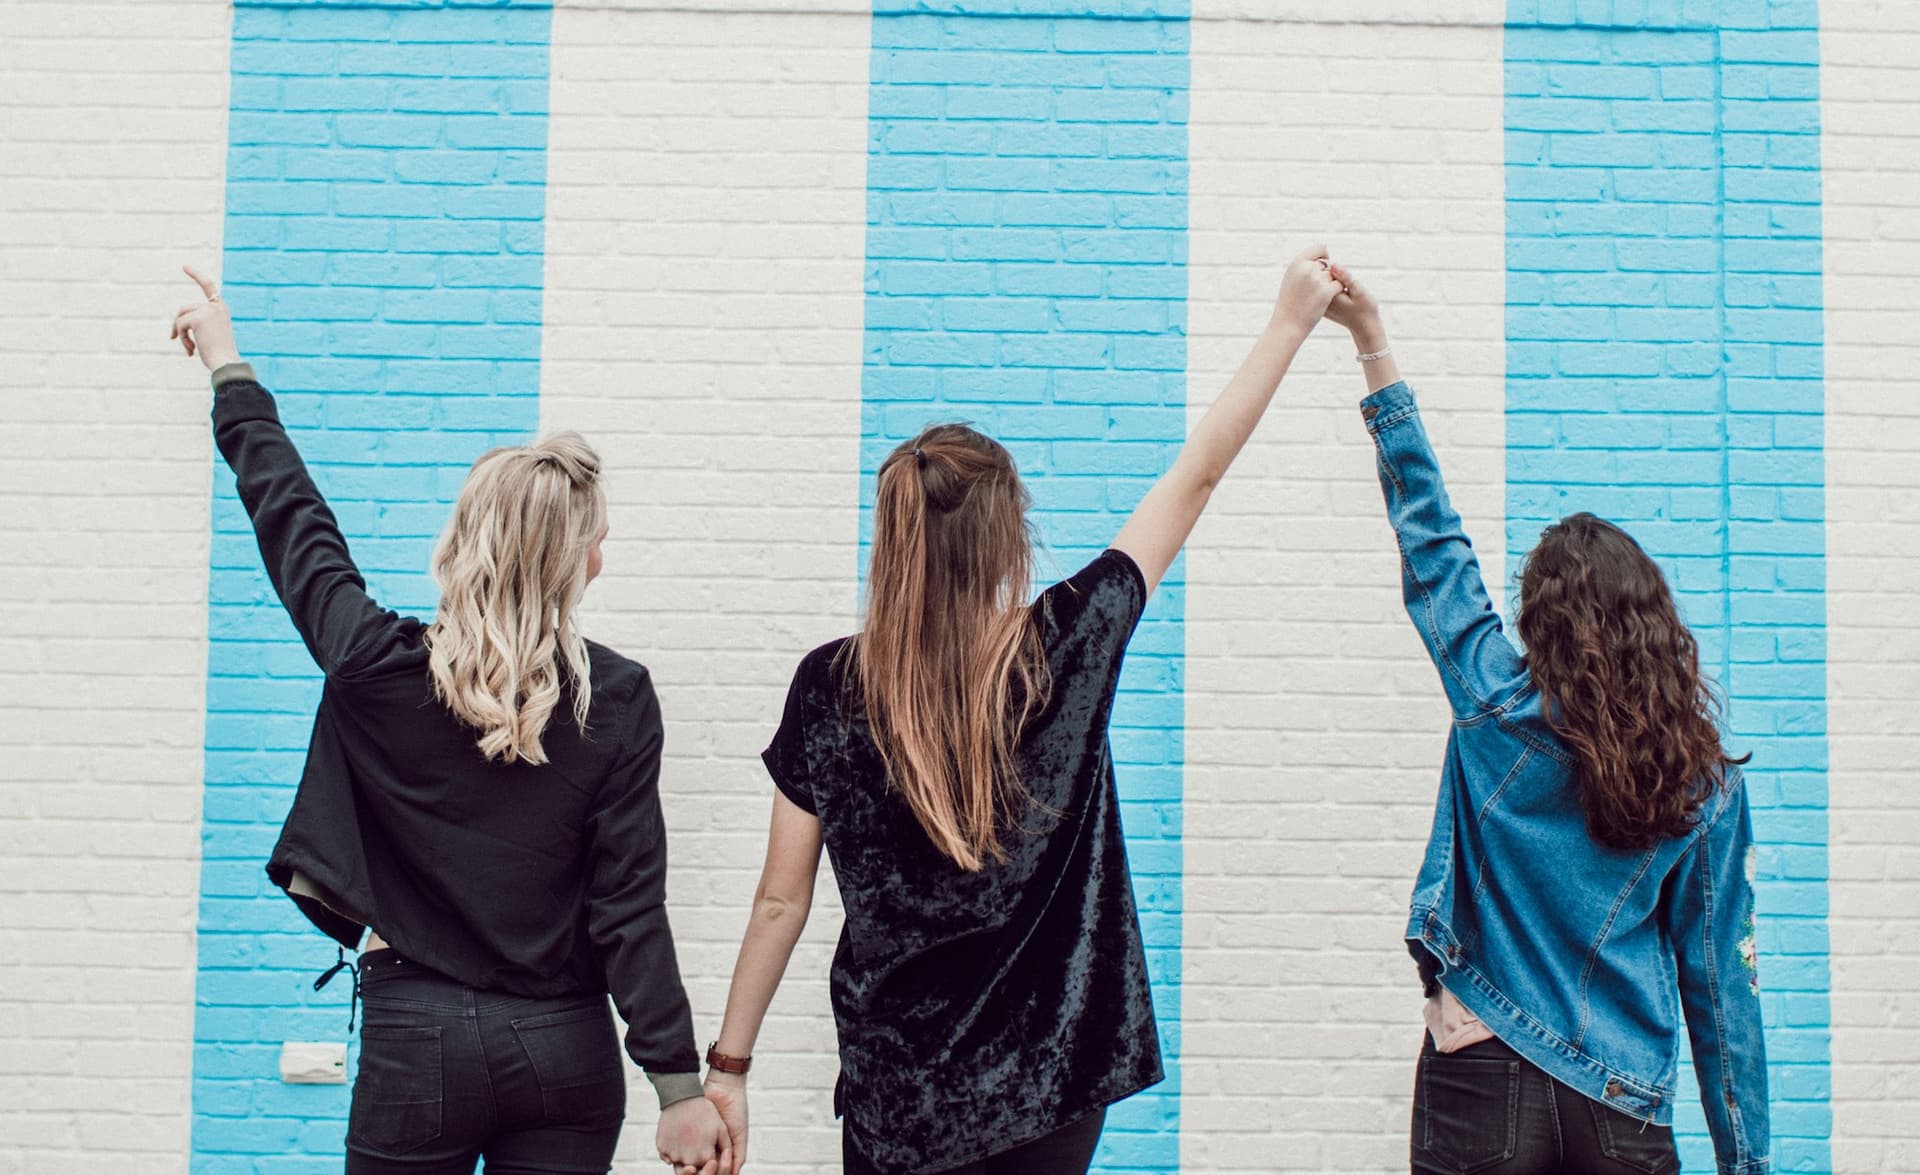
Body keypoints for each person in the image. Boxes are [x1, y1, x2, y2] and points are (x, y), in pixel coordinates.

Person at [692, 247, 1346, 1175]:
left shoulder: (829, 687)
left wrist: (729, 1067)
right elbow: (1195, 475)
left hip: (895, 1107)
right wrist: (1288, 323)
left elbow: (778, 900)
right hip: (1047, 1099)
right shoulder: (1064, 647)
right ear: (1006, 536)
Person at [171, 267, 731, 1175]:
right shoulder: (617, 697)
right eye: (597, 535)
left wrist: (228, 364)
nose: (604, 550)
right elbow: (629, 907)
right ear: (576, 563)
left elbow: (293, 520)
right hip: (564, 1047)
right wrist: (677, 1085)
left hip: (416, 1038)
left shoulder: (372, 661)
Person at [1320, 265, 1771, 1175]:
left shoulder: (1493, 698)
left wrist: (1372, 341)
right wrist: (1748, 1164)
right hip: (1623, 1107)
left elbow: (1431, 537)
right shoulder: (1705, 785)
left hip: (1483, 1066)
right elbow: (1722, 992)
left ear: (1540, 626)